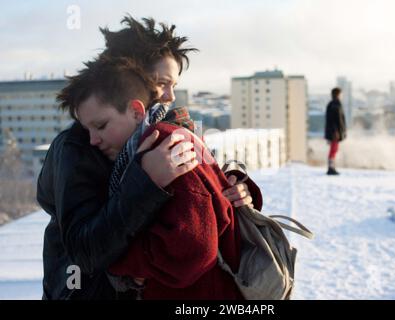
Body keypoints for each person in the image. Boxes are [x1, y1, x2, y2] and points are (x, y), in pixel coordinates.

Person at [37, 16, 260, 300]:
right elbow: (85, 250)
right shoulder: (80, 146)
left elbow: (205, 171)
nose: (170, 96)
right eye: (161, 83)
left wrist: (235, 184)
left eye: (174, 85)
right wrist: (145, 182)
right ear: (128, 77)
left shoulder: (165, 127)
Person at [70, 56, 244, 299]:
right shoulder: (143, 148)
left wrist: (123, 264)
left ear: (135, 111)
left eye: (100, 126)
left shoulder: (165, 145)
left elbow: (193, 250)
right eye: (87, 129)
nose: (92, 140)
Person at [324, 87, 347, 175]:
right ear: (337, 94)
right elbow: (333, 120)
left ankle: (332, 167)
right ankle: (331, 168)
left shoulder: (334, 104)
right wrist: (335, 131)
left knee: (334, 149)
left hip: (334, 132)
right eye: (340, 94)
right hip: (334, 132)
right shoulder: (335, 104)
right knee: (333, 150)